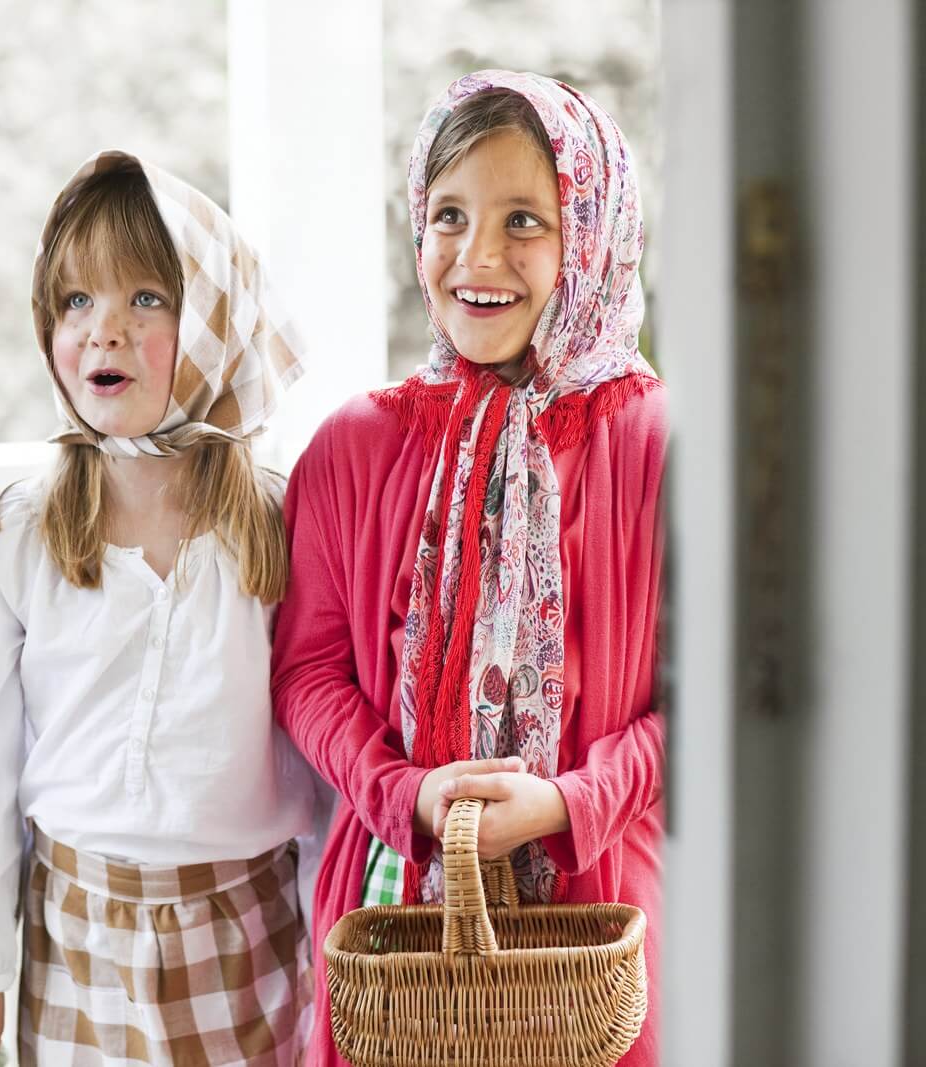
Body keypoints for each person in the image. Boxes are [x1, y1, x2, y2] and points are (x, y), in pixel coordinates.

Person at [271, 70, 666, 1066]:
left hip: (606, 921)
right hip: (397, 933)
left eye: (524, 220)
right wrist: (402, 791)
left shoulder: (659, 444)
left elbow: (708, 700)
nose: (476, 256)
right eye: (449, 215)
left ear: (593, 237)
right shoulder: (353, 446)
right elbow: (307, 672)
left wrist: (572, 803)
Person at [0, 152, 316, 1067]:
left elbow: (324, 757)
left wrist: (342, 945)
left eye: (146, 299)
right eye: (75, 301)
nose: (104, 333)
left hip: (251, 932)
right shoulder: (18, 528)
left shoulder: (285, 523)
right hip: (76, 926)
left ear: (214, 319)